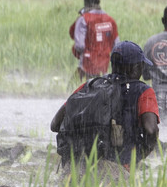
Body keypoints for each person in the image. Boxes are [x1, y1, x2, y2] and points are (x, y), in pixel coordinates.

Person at [50, 40, 159, 169]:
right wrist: (137, 156)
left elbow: (55, 124)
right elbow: (151, 130)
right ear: (135, 68)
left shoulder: (90, 85)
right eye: (141, 65)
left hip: (76, 167)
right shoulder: (144, 91)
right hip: (119, 168)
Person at [68, 0, 118, 79]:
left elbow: (79, 45)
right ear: (99, 1)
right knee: (100, 86)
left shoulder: (83, 19)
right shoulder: (110, 20)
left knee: (76, 88)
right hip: (104, 62)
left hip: (87, 62)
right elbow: (117, 45)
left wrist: (77, 51)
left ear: (85, 2)